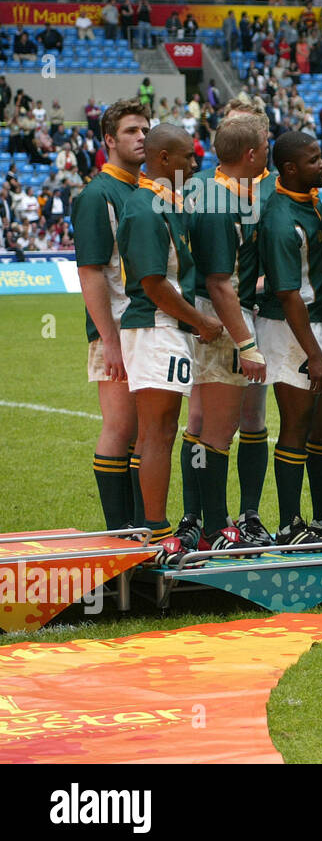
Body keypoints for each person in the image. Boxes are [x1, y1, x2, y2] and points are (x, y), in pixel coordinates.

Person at [115, 124, 222, 562]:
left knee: (160, 431)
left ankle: (154, 527)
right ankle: (157, 531)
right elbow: (155, 284)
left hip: (166, 328)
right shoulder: (144, 210)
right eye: (186, 158)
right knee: (157, 432)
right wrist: (202, 321)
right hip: (155, 327)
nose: (193, 165)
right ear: (162, 160)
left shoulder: (163, 205)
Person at [256, 131, 322, 548]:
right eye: (313, 160)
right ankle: (291, 522)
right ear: (289, 169)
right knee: (297, 423)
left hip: (320, 323)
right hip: (291, 329)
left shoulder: (311, 201)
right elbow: (288, 294)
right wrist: (314, 354)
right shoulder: (279, 219)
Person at [187, 113, 272, 551]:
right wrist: (248, 344)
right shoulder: (220, 203)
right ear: (252, 153)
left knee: (212, 429)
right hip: (224, 323)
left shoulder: (218, 192)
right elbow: (221, 283)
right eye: (266, 144)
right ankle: (217, 529)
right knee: (218, 431)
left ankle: (208, 525)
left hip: (222, 317)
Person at [72, 99, 150, 531]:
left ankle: (143, 526)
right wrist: (110, 341)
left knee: (145, 433)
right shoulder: (97, 194)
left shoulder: (142, 189)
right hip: (117, 329)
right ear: (108, 140)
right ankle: (119, 530)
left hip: (145, 326)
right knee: (120, 427)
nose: (142, 137)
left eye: (145, 130)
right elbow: (91, 273)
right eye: (131, 131)